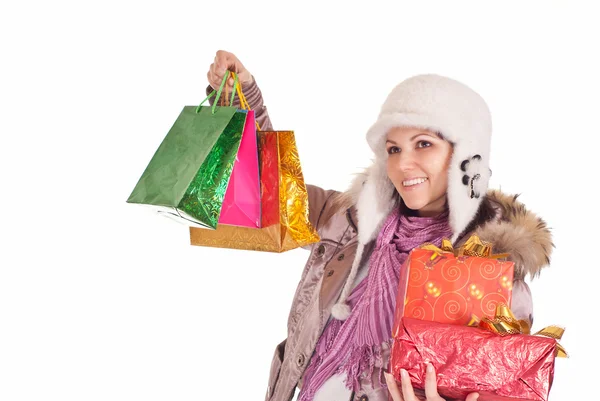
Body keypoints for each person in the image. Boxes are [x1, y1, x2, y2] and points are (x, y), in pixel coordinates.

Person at [205, 51, 553, 401]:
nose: (404, 164)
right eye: (393, 148)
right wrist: (242, 98)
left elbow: (510, 392)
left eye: (424, 144)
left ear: (464, 154)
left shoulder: (492, 273)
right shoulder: (346, 221)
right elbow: (268, 193)